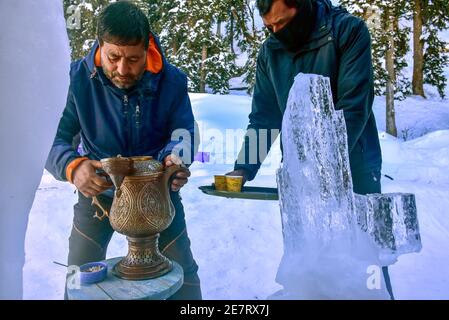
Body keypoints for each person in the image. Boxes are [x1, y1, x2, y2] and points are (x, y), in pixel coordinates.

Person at [226, 0, 394, 299]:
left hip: (354, 167)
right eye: (270, 27)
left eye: (282, 23)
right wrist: (244, 166)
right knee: (310, 262)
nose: (276, 33)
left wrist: (324, 167)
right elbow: (265, 116)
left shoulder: (347, 32)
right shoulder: (270, 51)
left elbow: (353, 108)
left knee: (366, 262)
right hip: (301, 175)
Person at [45, 1, 201, 300]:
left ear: (148, 50)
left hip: (158, 192)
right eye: (113, 56)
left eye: (133, 59)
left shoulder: (172, 80)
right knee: (79, 278)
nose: (122, 68)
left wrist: (176, 156)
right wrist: (73, 167)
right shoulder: (76, 79)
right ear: (99, 47)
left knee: (184, 276)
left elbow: (184, 132)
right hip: (98, 197)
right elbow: (52, 139)